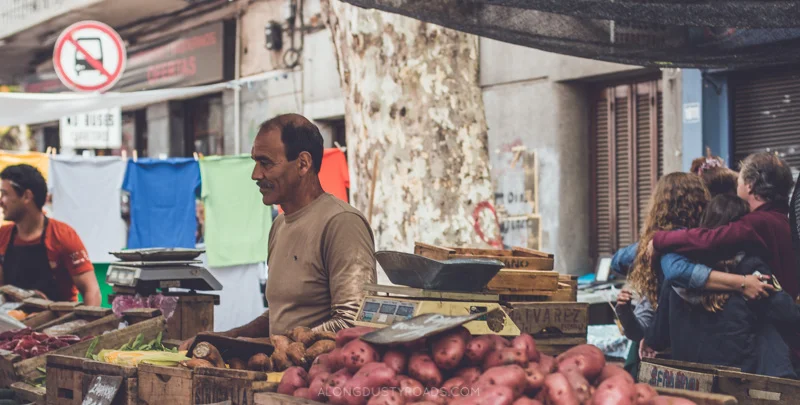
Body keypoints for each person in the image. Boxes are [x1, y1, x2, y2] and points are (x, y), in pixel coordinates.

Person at [180, 114, 376, 349]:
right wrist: (226, 338)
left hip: (319, 380)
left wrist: (271, 346)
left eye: (266, 163)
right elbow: (278, 316)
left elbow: (353, 322)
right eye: (255, 162)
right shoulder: (279, 225)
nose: (256, 174)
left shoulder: (342, 223)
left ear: (303, 163)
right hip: (277, 377)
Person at [645, 194, 800, 378]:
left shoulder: (677, 274)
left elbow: (657, 338)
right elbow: (787, 313)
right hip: (738, 384)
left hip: (690, 383)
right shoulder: (751, 269)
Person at [613, 172, 710, 376]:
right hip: (691, 355)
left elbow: (618, 261)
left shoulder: (656, 247)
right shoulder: (704, 245)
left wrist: (646, 250)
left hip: (670, 356)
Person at [0, 164, 100, 305]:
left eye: (5, 194)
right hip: (12, 322)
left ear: (27, 196)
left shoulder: (63, 236)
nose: (0, 201)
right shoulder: (3, 236)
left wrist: (86, 324)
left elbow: (91, 290)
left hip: (57, 323)